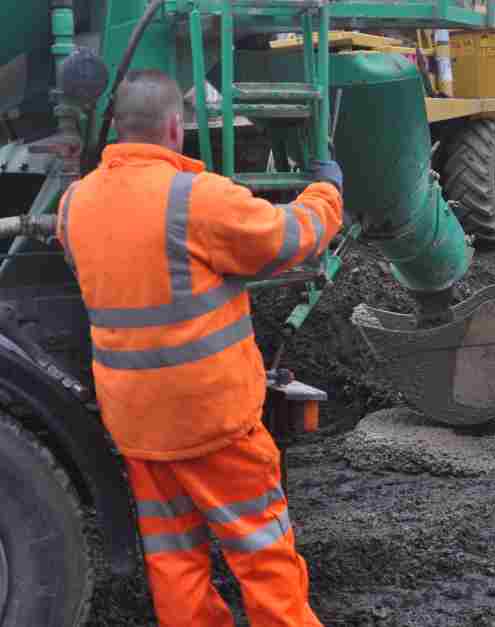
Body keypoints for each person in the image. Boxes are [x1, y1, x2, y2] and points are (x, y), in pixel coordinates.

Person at [56, 70, 343, 626]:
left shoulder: (74, 205)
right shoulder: (196, 199)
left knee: (174, 561)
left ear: (116, 128)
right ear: (174, 128)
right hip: (212, 422)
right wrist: (326, 191)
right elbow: (290, 239)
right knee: (262, 553)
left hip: (139, 424)